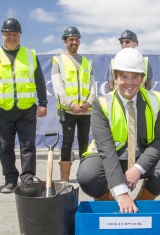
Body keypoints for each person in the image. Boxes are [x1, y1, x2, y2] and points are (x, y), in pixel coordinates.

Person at [77, 48, 160, 213]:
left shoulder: (156, 100)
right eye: (124, 76)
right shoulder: (101, 104)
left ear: (142, 78)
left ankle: (139, 205)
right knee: (88, 175)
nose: (130, 82)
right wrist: (121, 192)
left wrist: (138, 168)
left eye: (135, 77)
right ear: (115, 78)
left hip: (139, 156)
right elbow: (106, 149)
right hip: (110, 156)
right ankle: (108, 204)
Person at [0, 18, 47, 193]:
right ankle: (10, 179)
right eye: (8, 34)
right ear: (2, 35)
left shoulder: (30, 54)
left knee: (28, 145)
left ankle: (27, 178)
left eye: (15, 34)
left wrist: (43, 102)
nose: (12, 37)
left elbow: (39, 80)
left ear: (20, 35)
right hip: (2, 109)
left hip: (26, 109)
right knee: (5, 146)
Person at [51, 26, 96, 182]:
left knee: (84, 142)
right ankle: (65, 178)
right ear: (65, 41)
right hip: (68, 111)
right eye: (71, 39)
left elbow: (92, 86)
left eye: (77, 39)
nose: (74, 42)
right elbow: (57, 86)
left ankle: (83, 175)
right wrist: (71, 104)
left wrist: (88, 103)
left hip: (85, 110)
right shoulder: (58, 61)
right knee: (67, 142)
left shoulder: (87, 62)